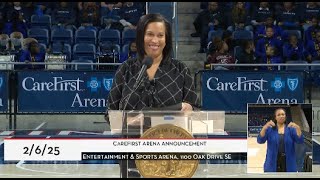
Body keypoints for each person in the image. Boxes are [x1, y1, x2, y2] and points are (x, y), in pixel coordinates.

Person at [106, 13, 199, 178]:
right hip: (132, 151)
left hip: (170, 153)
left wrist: (189, 109)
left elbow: (195, 109)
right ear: (141, 36)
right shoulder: (126, 70)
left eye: (160, 35)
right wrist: (126, 121)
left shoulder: (180, 70)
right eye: (150, 34)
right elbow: (110, 112)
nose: (155, 40)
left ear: (166, 39)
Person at [257, 108, 304, 172]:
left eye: (283, 114)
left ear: (285, 116)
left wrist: (298, 128)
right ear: (275, 117)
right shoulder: (270, 129)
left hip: (288, 162)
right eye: (278, 115)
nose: (281, 116)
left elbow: (300, 141)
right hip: (272, 162)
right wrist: (264, 127)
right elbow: (260, 141)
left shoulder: (291, 129)